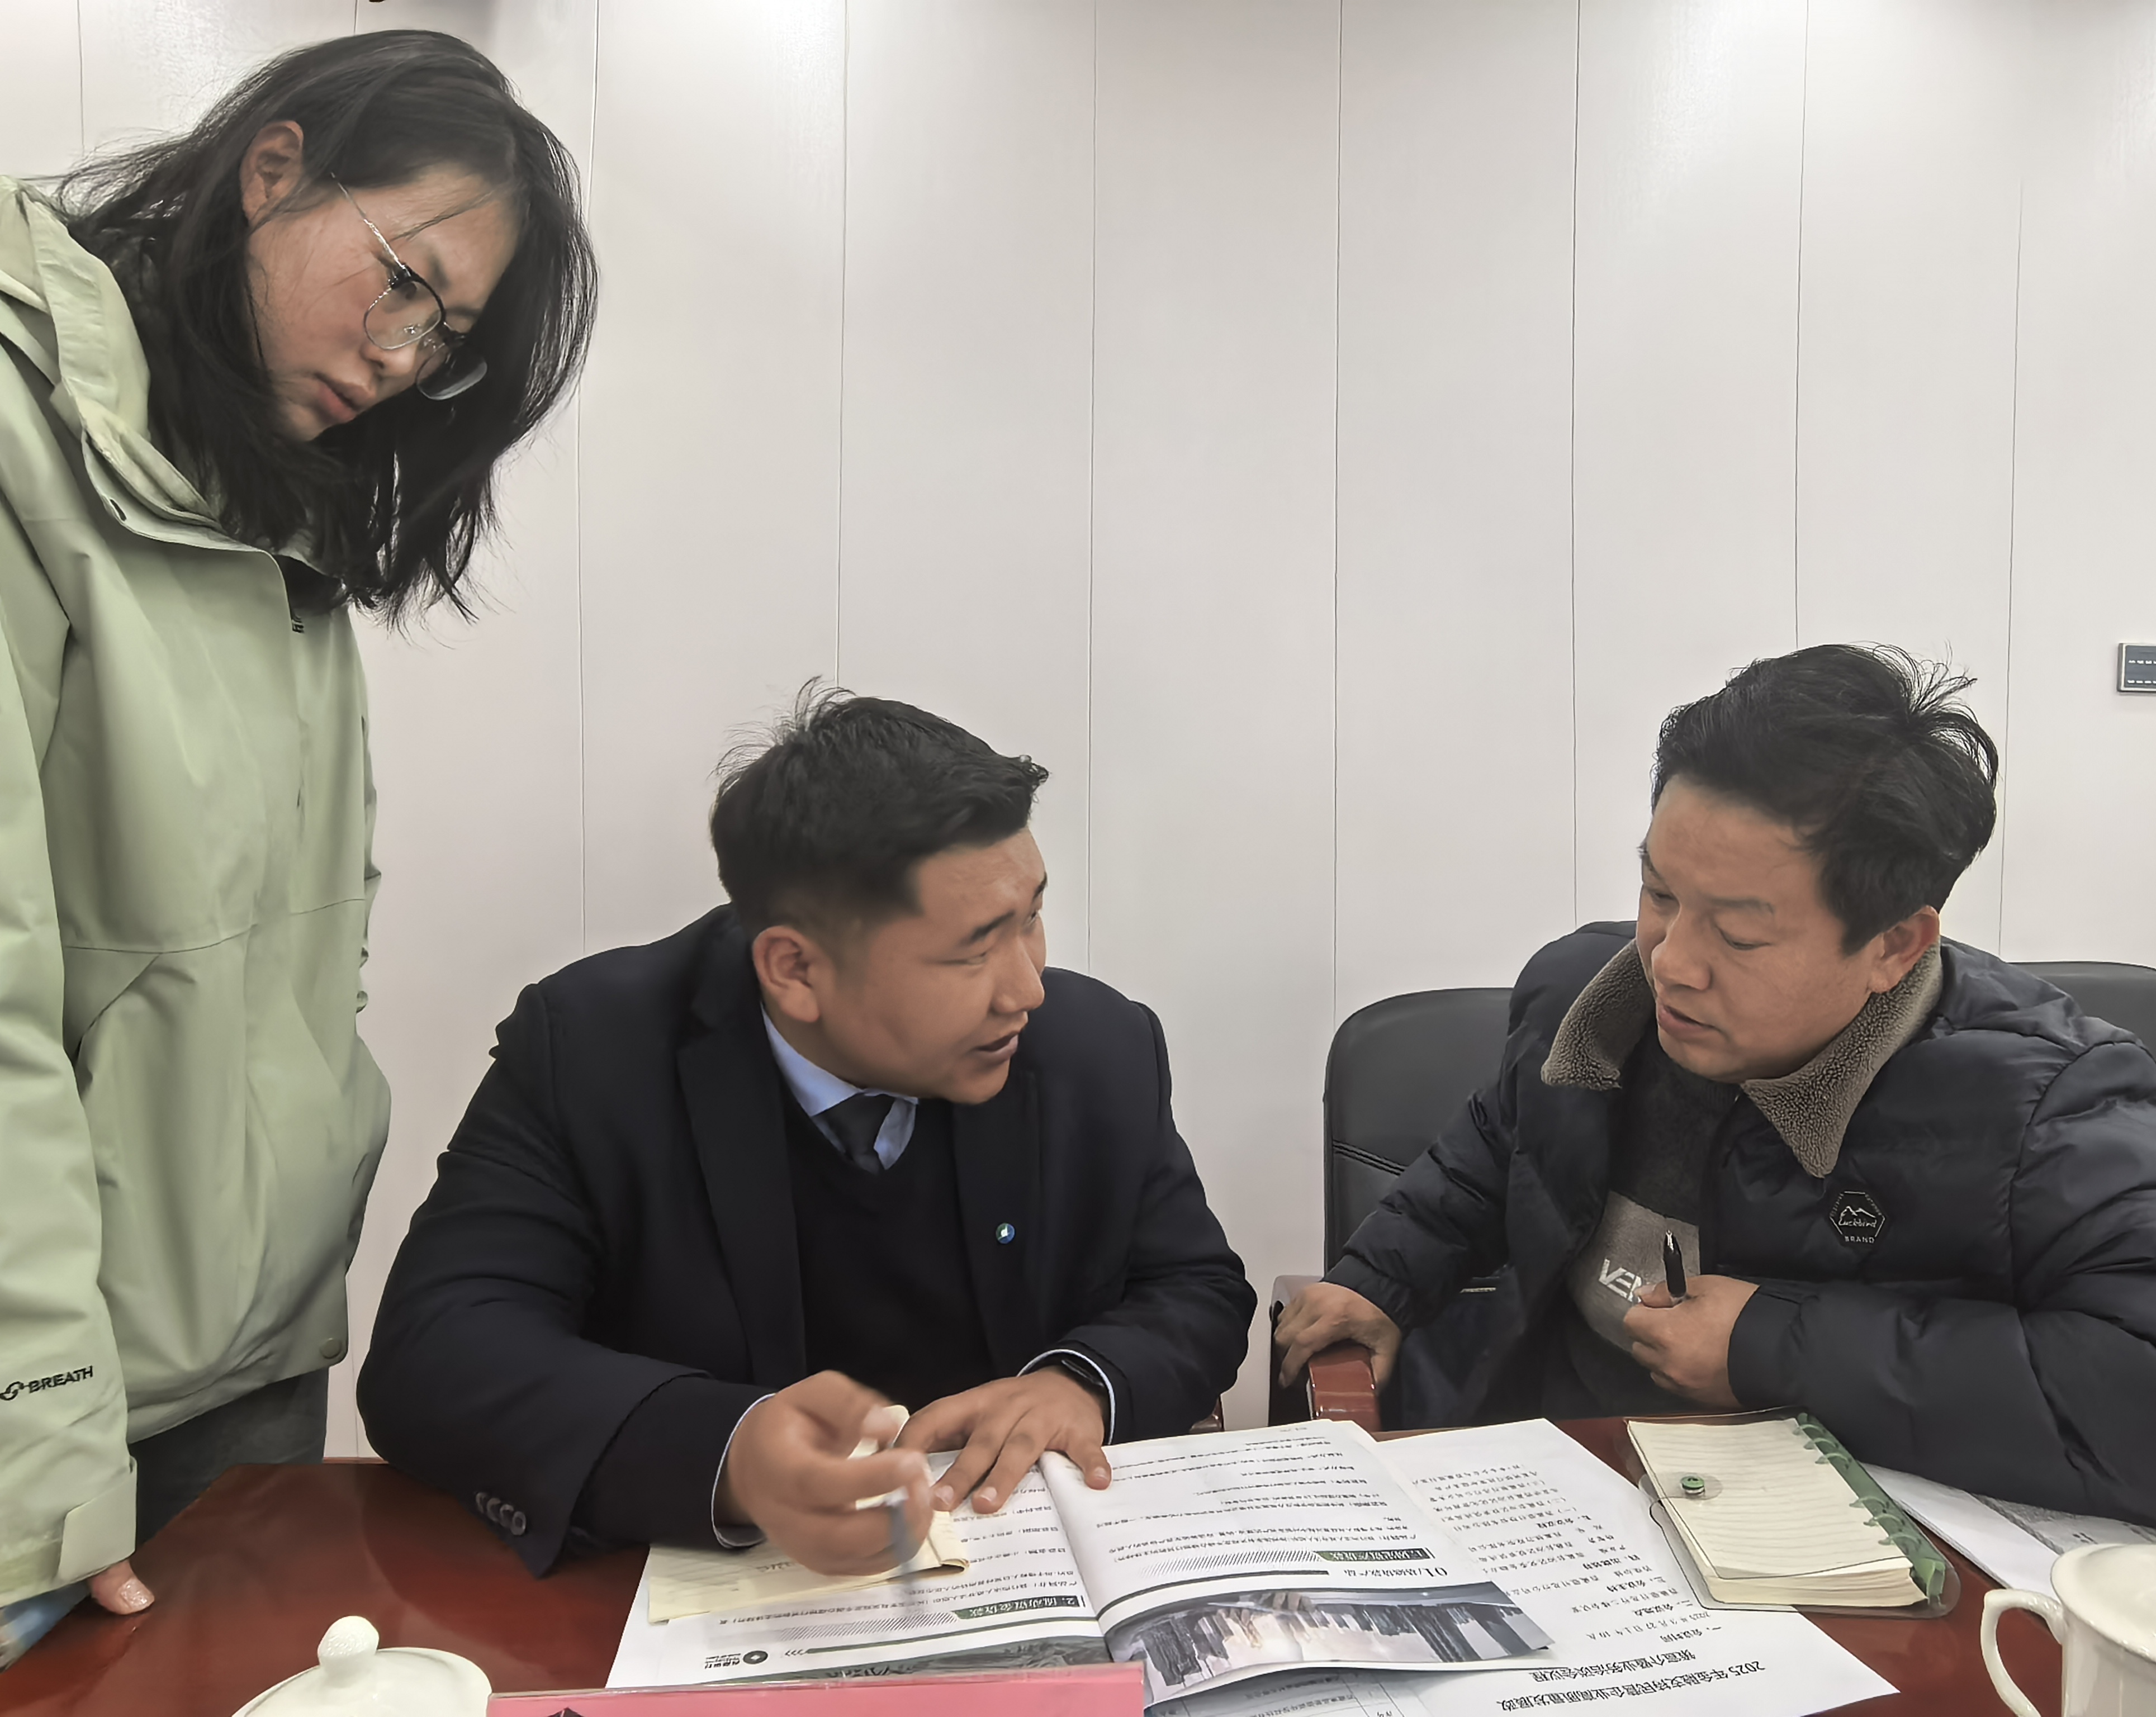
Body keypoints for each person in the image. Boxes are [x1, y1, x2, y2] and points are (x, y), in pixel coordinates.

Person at [0, 30, 596, 1628]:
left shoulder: (268, 500)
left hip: (242, 1364)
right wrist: (33, 1437)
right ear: (275, 170)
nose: (403, 358)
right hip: (43, 1427)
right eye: (404, 284)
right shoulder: (24, 440)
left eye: (447, 339)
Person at [1276, 644, 2156, 1541]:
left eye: (1739, 934)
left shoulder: (2043, 1100)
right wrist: (1383, 1276)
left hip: (1834, 1568)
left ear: (1895, 945)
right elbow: (1497, 1146)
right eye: (1659, 892)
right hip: (1551, 1493)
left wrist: (1773, 1346)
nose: (1671, 962)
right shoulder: (1588, 999)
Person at [358, 691, 1254, 1576]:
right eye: (975, 950)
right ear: (794, 970)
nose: (1027, 988)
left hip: (1015, 1567)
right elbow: (437, 1352)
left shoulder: (1096, 1049)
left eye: (1032, 919)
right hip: (707, 1596)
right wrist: (729, 1453)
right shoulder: (595, 1052)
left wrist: (1080, 1381)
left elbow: (1193, 1287)